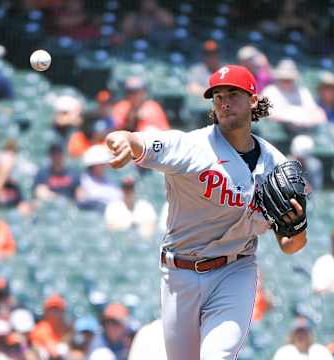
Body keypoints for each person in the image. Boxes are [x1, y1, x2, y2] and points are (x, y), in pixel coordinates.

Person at [105, 64, 307, 360]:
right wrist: (122, 139)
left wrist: (298, 227)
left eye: (233, 94)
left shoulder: (274, 164)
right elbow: (138, 141)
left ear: (253, 100)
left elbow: (291, 246)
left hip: (235, 270)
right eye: (218, 96)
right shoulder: (192, 147)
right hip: (179, 272)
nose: (225, 102)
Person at [262, 59, 326, 133]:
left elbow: (319, 115)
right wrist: (294, 115)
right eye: (283, 79)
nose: (286, 82)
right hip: (277, 135)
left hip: (303, 131)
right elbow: (268, 114)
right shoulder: (270, 91)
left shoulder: (302, 91)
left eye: (289, 79)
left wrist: (304, 119)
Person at [67, 91, 116, 158]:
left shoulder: (111, 120)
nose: (105, 106)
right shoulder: (90, 115)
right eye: (103, 103)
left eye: (107, 103)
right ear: (98, 103)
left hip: (100, 146)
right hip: (86, 145)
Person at [76, 145, 122, 212]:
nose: (104, 166)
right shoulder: (83, 181)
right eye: (101, 164)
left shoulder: (110, 179)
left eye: (104, 164)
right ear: (93, 165)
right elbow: (82, 202)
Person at [30, 294, 72, 359]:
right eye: (52, 309)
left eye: (57, 309)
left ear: (63, 311)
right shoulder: (40, 329)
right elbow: (54, 353)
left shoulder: (68, 328)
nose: (54, 312)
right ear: (45, 311)